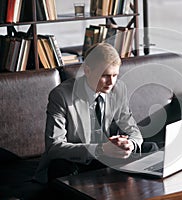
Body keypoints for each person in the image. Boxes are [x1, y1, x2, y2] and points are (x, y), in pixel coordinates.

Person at [34, 43, 144, 183]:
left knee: (150, 148)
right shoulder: (61, 96)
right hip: (77, 161)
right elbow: (54, 147)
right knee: (60, 168)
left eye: (115, 75)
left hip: (107, 158)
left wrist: (129, 144)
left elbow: (135, 133)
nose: (111, 82)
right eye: (105, 75)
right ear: (87, 71)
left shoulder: (118, 90)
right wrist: (100, 150)